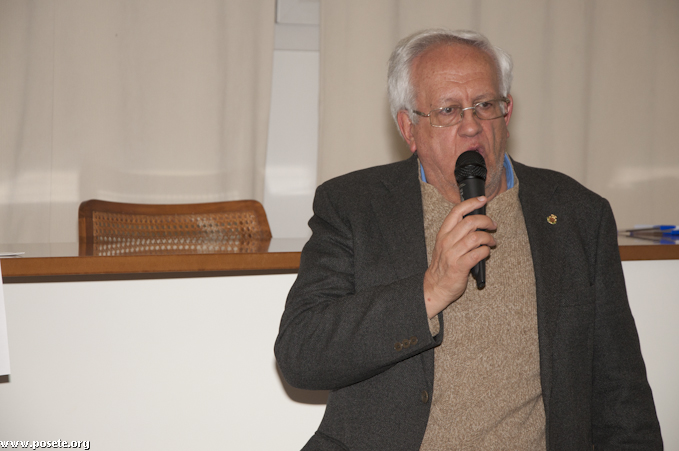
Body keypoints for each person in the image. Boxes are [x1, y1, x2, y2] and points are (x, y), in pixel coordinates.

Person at [274, 29, 662, 450]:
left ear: (507, 114)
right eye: (448, 110)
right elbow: (301, 355)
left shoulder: (577, 215)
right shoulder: (354, 206)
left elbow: (621, 393)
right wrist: (430, 290)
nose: (472, 126)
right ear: (409, 128)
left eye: (485, 105)